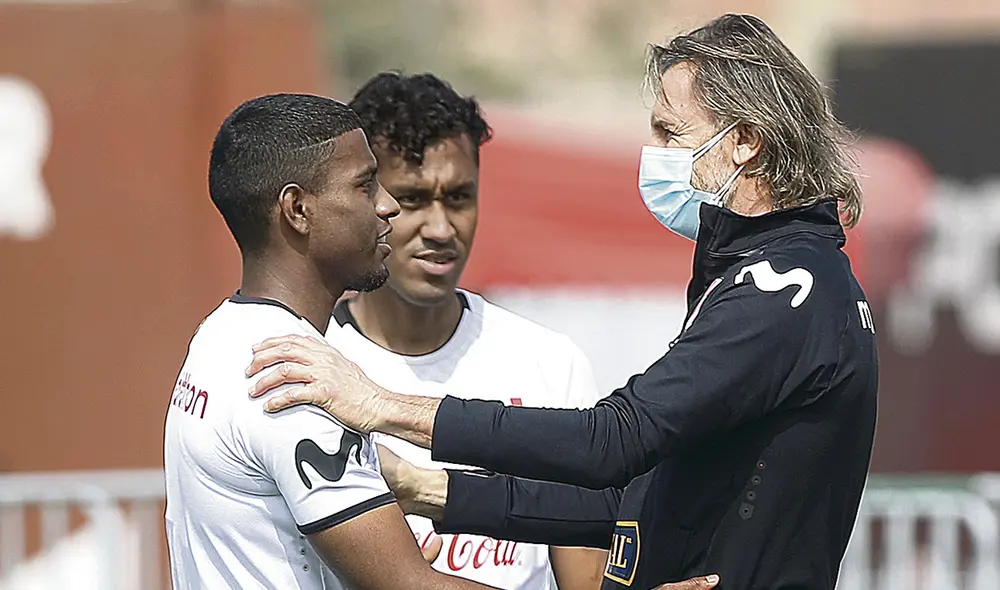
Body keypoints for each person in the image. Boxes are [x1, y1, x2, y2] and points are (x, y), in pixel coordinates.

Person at [246, 12, 877, 590]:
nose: (653, 152)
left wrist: (380, 405)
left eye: (670, 131)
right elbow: (629, 503)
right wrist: (429, 487)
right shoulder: (763, 276)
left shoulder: (785, 289)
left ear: (744, 143)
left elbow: (612, 441)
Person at [163, 93, 501, 589]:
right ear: (297, 209)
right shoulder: (290, 377)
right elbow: (410, 586)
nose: (387, 206)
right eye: (366, 186)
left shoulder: (219, 334)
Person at [322, 71, 611, 590]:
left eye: (457, 198)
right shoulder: (316, 368)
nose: (440, 229)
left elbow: (586, 578)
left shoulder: (550, 362)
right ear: (369, 200)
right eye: (411, 199)